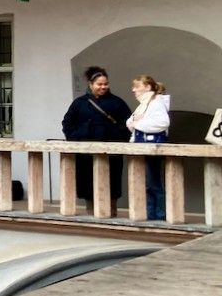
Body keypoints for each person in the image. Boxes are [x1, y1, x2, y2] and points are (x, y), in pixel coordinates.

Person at [62, 66, 131, 215]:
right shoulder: (79, 103)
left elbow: (127, 124)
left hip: (111, 152)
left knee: (112, 183)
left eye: (105, 84)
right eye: (99, 84)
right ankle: (90, 213)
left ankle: (111, 213)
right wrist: (77, 138)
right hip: (85, 153)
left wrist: (115, 137)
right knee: (87, 184)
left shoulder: (117, 103)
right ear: (91, 84)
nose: (103, 87)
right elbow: (67, 123)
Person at [127, 74, 170, 220]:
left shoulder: (155, 102)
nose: (133, 90)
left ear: (147, 87)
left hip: (151, 147)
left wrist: (138, 123)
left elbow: (163, 122)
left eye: (137, 87)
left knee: (154, 182)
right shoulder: (144, 104)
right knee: (149, 182)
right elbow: (129, 121)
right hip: (143, 146)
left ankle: (158, 214)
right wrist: (134, 121)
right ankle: (151, 213)